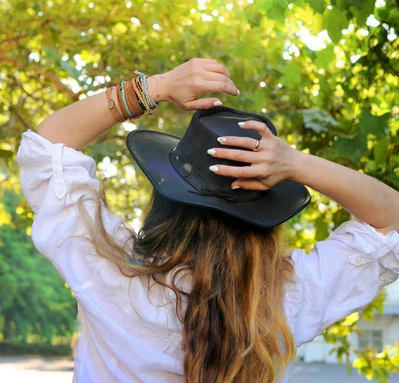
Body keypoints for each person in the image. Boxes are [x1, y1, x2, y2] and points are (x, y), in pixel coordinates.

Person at [16, 58, 399, 383]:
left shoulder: (108, 268)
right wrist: (296, 163)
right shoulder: (284, 299)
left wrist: (156, 87)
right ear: (263, 218)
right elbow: (392, 220)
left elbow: (47, 147)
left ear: (166, 200)